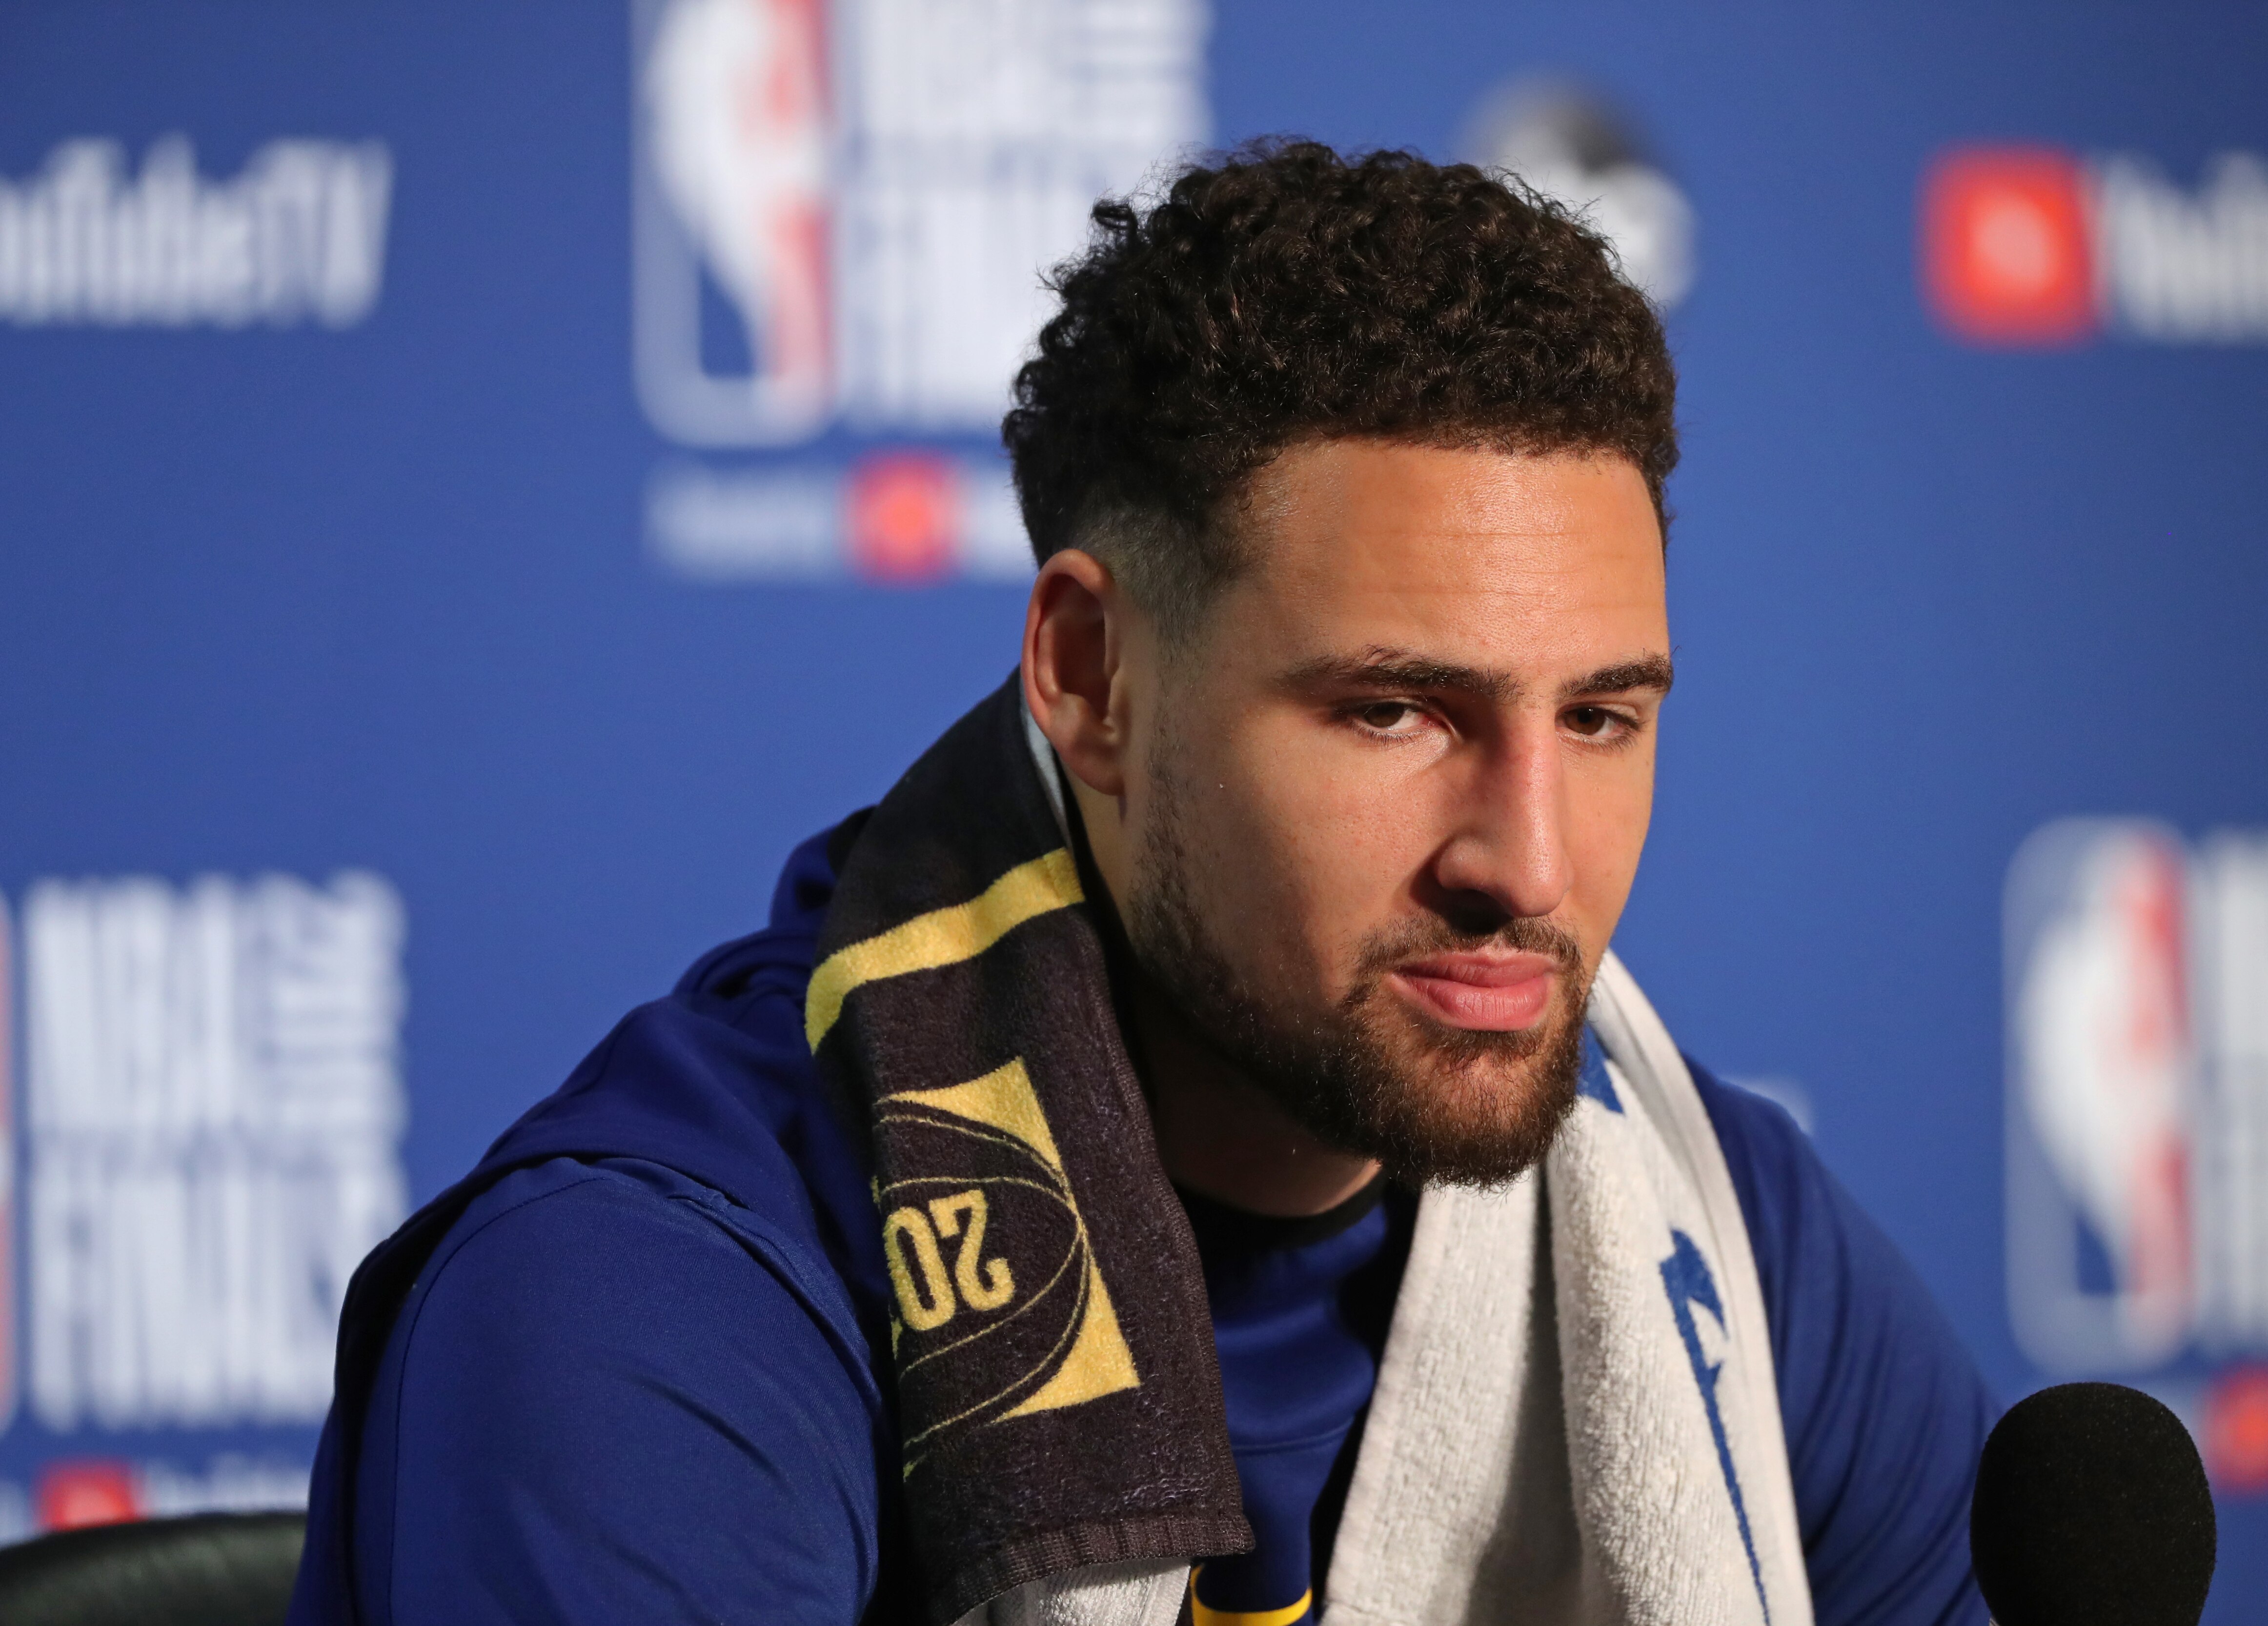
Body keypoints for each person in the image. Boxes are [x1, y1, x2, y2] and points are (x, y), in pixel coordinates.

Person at [291, 141, 1995, 1626]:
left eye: (1604, 718)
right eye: (1395, 711)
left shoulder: (1723, 1249)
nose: (1528, 865)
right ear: (1094, 675)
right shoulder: (658, 1306)